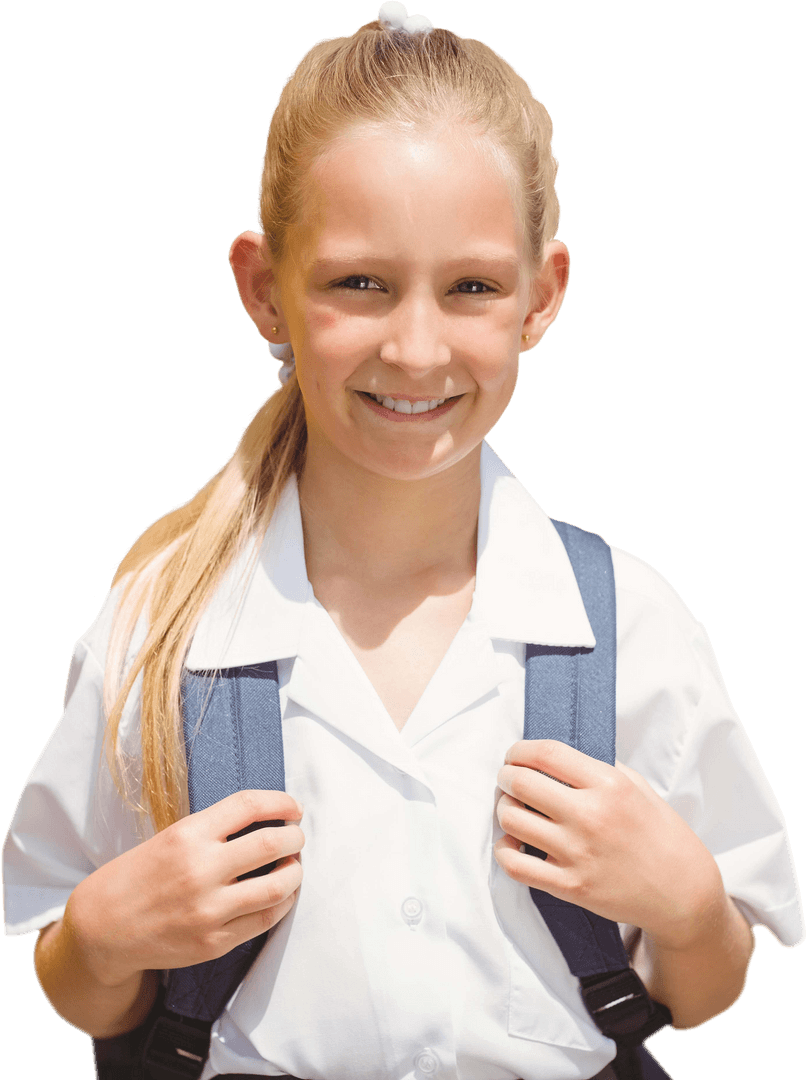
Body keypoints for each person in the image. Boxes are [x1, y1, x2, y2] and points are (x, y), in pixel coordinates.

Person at [2, 5, 803, 1079]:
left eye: (471, 287)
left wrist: (689, 903)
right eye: (357, 283)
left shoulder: (634, 625)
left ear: (542, 296)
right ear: (263, 290)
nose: (416, 347)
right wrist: (103, 934)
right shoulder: (158, 631)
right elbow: (69, 977)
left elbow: (705, 993)